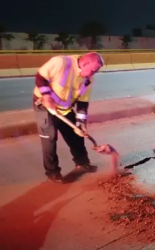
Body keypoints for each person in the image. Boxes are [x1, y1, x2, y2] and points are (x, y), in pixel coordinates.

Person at [33, 52, 104, 184]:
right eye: (93, 70)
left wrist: (81, 121)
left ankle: (82, 163)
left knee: (76, 135)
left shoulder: (88, 78)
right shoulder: (61, 62)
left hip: (64, 109)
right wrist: (46, 96)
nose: (93, 74)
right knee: (50, 138)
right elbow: (40, 77)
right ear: (85, 63)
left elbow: (83, 101)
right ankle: (53, 172)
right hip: (44, 105)